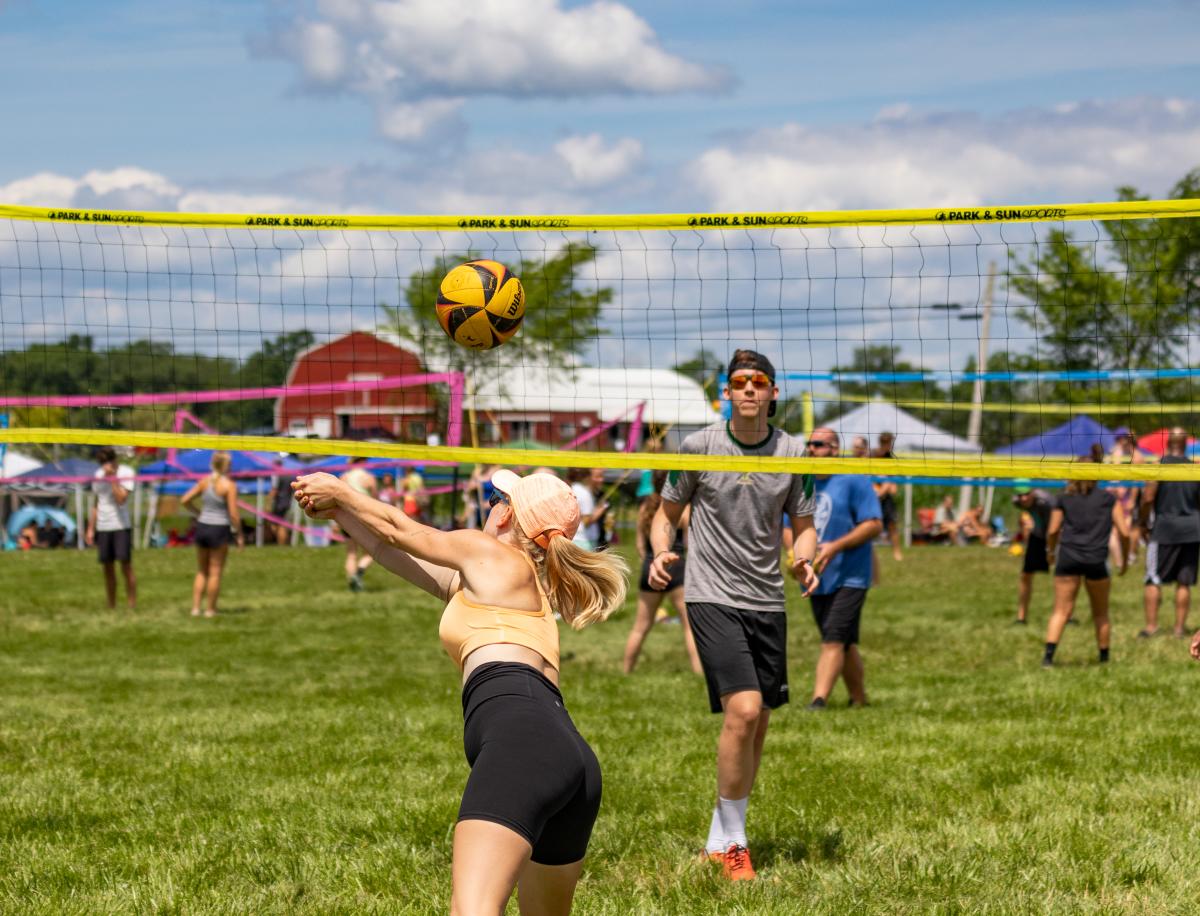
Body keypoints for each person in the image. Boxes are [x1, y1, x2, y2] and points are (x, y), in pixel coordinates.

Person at [291, 467, 627, 915]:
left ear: (506, 516)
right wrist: (339, 512)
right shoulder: (506, 581)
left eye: (494, 499)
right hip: (572, 761)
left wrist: (340, 490)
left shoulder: (487, 553)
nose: (488, 507)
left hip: (526, 747)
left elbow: (399, 527)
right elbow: (386, 547)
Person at [648, 348, 818, 881]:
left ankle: (718, 840)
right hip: (710, 593)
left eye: (758, 382)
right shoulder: (699, 446)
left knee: (758, 723)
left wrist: (805, 558)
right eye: (739, 381)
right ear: (726, 391)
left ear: (772, 392)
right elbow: (665, 515)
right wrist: (660, 552)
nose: (748, 389)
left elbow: (805, 522)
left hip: (767, 597)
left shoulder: (794, 451)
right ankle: (737, 846)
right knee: (743, 710)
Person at [804, 428, 882, 708]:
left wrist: (835, 546)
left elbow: (874, 523)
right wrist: (796, 555)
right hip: (817, 577)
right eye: (809, 444)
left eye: (819, 444)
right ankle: (859, 700)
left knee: (833, 638)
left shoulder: (853, 479)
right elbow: (788, 527)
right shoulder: (804, 482)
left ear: (835, 449)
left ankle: (818, 700)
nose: (811, 449)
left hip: (852, 574)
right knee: (844, 642)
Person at [1042, 471, 1128, 667]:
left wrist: (1050, 553)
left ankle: (1048, 658)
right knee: (1101, 613)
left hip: (1068, 559)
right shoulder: (1108, 498)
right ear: (1097, 474)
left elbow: (1053, 530)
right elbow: (1124, 531)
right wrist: (1123, 559)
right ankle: (1104, 659)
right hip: (1096, 560)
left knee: (1061, 611)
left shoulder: (1063, 498)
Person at [623, 469, 702, 675]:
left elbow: (640, 545)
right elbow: (692, 541)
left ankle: (626, 671)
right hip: (676, 565)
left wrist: (649, 562)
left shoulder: (645, 508)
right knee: (689, 627)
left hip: (651, 567)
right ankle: (699, 674)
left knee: (641, 626)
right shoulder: (682, 508)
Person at [1138, 428, 1200, 638]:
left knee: (1153, 579)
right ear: (1186, 445)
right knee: (1184, 581)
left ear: (1167, 444)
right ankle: (1179, 629)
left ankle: (1151, 627)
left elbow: (1147, 498)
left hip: (1164, 529)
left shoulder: (1158, 467)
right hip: (1192, 529)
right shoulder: (1195, 469)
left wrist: (1142, 523)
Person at [180, 451, 244, 617]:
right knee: (215, 572)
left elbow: (184, 500)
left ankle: (195, 608)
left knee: (202, 571)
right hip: (219, 528)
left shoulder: (204, 481)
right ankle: (210, 610)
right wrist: (239, 534)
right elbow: (234, 514)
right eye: (229, 464)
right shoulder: (229, 485)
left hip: (203, 526)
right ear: (224, 466)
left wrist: (198, 513)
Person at [86, 446, 137, 610]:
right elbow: (96, 502)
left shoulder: (126, 472)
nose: (104, 466)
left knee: (126, 566)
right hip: (103, 526)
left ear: (114, 460)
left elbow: (121, 499)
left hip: (121, 526)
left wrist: (113, 478)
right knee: (107, 568)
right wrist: (90, 528)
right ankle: (111, 605)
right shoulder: (98, 475)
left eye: (106, 462)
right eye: (101, 463)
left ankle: (131, 605)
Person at [1012, 483, 1055, 625]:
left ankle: (1067, 615)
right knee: (1026, 575)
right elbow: (1024, 521)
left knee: (1063, 577)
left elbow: (1054, 526)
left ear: (1033, 492)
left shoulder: (1047, 501)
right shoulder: (1016, 501)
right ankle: (1021, 617)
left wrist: (1051, 549)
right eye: (1020, 495)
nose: (1023, 498)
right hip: (1037, 536)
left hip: (1057, 536)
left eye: (1026, 494)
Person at [341, 457, 379, 591]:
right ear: (363, 461)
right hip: (363, 517)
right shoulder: (369, 478)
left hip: (346, 517)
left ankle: (353, 582)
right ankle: (358, 573)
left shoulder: (344, 477)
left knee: (351, 553)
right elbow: (375, 500)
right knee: (371, 552)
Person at [872, 432, 902, 561]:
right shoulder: (872, 455)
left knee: (892, 525)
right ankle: (868, 553)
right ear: (883, 443)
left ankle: (897, 552)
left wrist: (888, 486)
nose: (890, 446)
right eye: (889, 443)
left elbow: (892, 485)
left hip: (885, 498)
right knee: (867, 525)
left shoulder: (890, 458)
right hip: (872, 494)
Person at [568, 468, 608, 551]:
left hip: (574, 539)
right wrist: (600, 510)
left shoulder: (573, 488)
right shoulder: (584, 493)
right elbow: (586, 522)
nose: (602, 480)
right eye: (598, 476)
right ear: (588, 477)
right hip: (584, 541)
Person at [267, 458, 297, 546]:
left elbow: (274, 489)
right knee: (282, 523)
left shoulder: (275, 474)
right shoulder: (287, 474)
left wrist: (268, 502)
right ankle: (284, 543)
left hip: (279, 503)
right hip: (287, 502)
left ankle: (281, 544)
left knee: (276, 524)